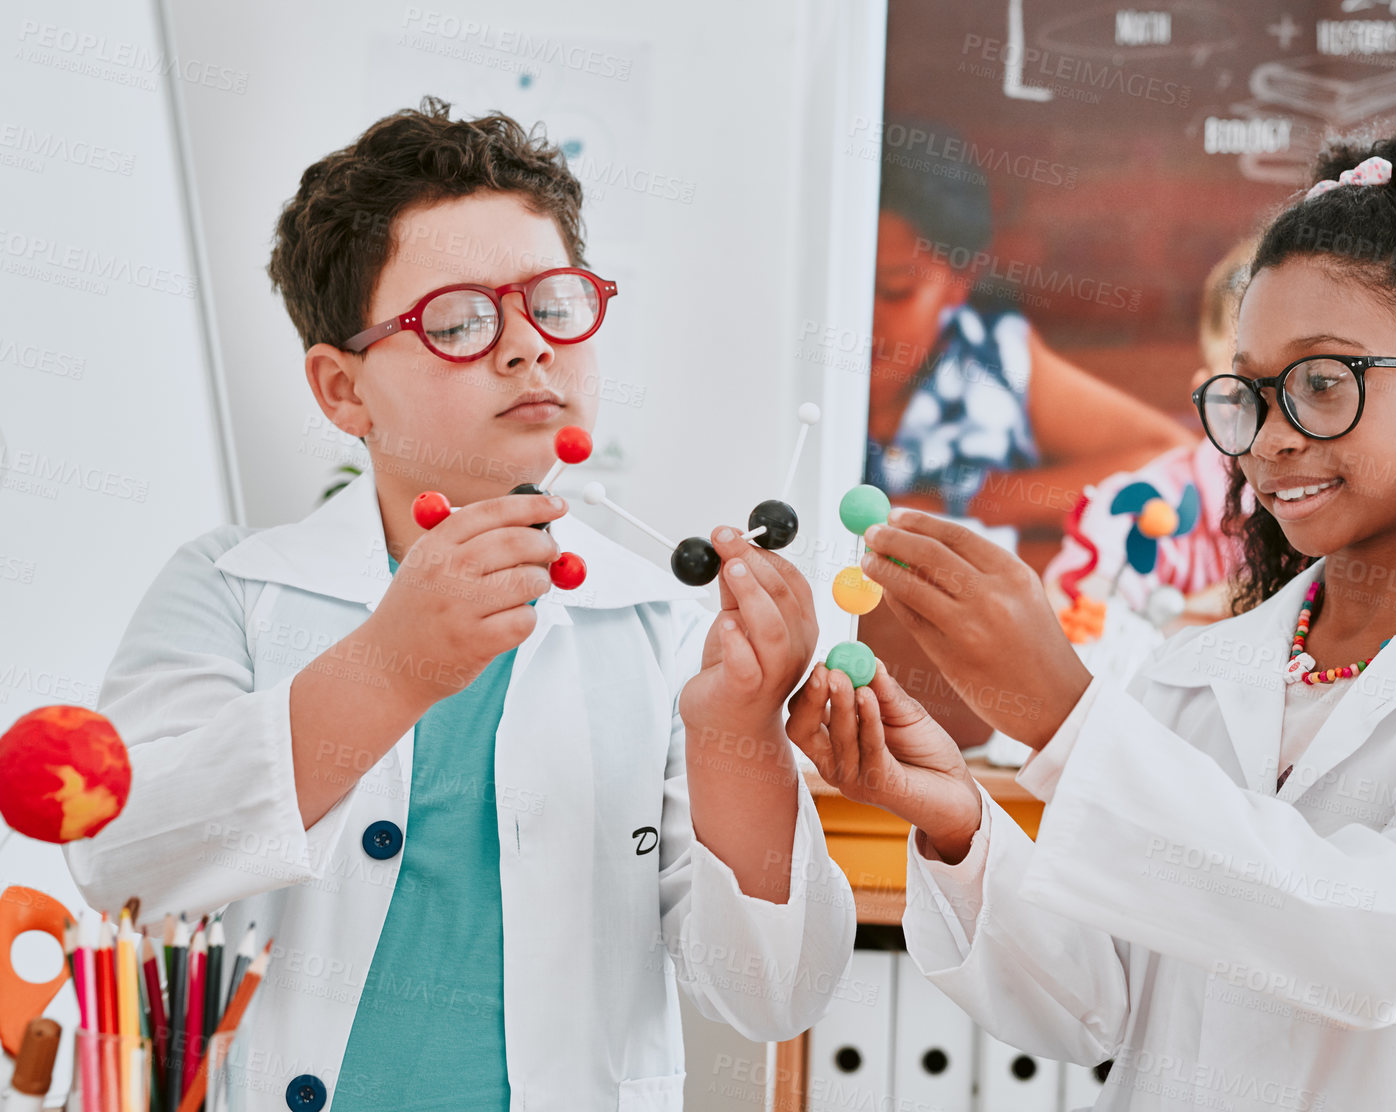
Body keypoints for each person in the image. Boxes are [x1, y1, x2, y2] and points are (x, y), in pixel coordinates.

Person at [790, 119, 1396, 1109]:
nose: (1272, 436)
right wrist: (950, 816)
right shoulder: (1194, 672)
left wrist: (1065, 716)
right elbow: (1087, 1007)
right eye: (1249, 391)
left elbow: (1380, 945)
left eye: (1323, 382)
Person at [64, 99, 854, 1110]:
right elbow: (121, 858)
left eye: (554, 302)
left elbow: (771, 991)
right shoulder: (231, 588)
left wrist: (741, 734)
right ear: (342, 391)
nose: (527, 347)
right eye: (458, 320)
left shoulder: (665, 627)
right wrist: (388, 670)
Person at [865, 120, 1192, 536]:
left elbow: (1173, 456)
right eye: (842, 289)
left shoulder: (991, 357)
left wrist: (975, 502)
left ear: (960, 279)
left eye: (895, 290)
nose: (866, 317)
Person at [1043, 238, 1257, 637]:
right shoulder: (1141, 508)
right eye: (1245, 392)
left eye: (1316, 385)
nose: (1280, 420)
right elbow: (1075, 640)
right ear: (1212, 403)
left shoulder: (1368, 513)